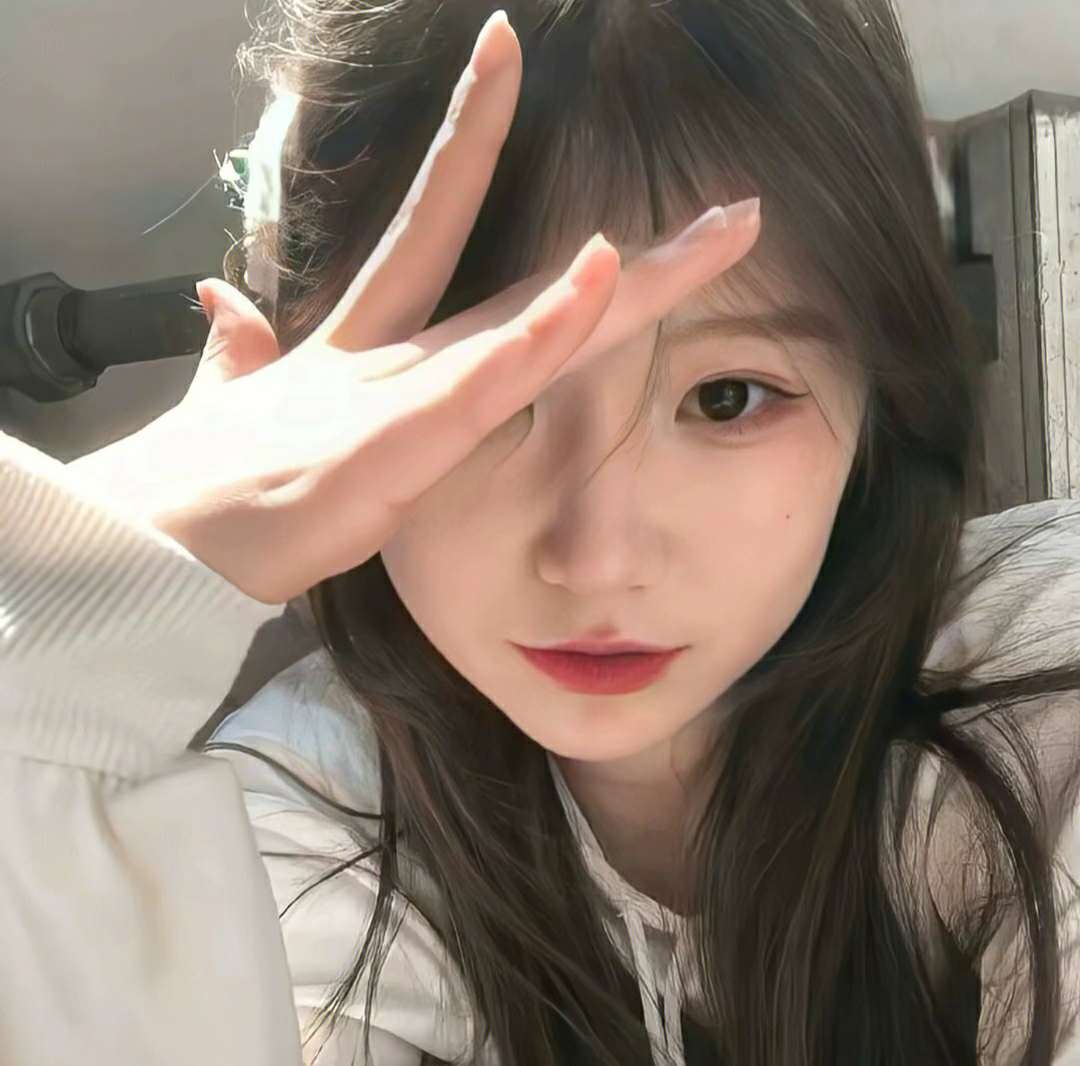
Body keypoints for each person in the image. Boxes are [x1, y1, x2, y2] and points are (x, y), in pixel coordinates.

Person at [4, 2, 1080, 1065]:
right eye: (480, 401)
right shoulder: (308, 828)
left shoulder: (1043, 692)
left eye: (727, 398)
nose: (596, 558)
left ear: (881, 396)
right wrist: (64, 620)